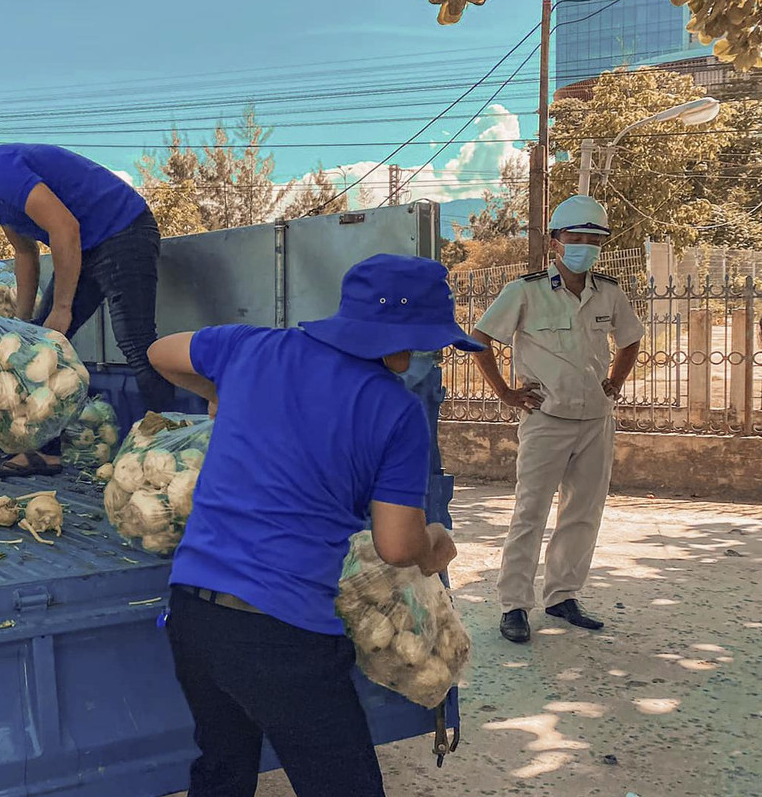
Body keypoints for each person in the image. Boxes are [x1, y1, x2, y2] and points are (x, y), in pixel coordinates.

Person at [146, 254, 476, 797]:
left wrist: (223, 396)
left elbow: (162, 354)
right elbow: (396, 546)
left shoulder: (253, 347)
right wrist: (435, 545)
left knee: (223, 770)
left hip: (192, 616)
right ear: (404, 338)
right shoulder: (396, 412)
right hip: (282, 634)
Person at [0, 121, 173, 476]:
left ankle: (168, 447)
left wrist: (62, 308)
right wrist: (21, 325)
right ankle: (43, 453)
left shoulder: (0, 170)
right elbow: (25, 254)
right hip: (86, 246)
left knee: (135, 341)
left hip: (124, 231)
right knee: (36, 348)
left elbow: (65, 229)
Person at [470, 195, 644, 644]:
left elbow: (629, 340)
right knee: (530, 512)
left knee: (583, 513)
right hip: (546, 418)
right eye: (575, 238)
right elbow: (479, 337)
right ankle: (513, 605)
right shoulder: (524, 291)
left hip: (595, 421)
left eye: (593, 239)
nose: (584, 246)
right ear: (555, 242)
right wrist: (506, 393)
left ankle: (563, 596)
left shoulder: (609, 292)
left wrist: (615, 382)